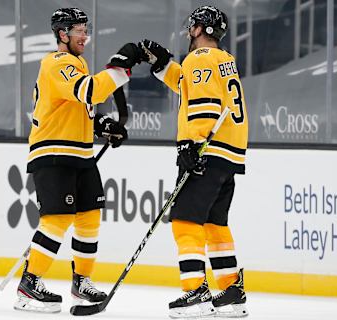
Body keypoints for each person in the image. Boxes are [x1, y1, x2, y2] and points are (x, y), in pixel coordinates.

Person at [14, 7, 143, 313]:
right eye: (79, 31)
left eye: (87, 30)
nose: (85, 36)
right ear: (62, 34)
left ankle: (81, 282)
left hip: (79, 152)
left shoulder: (78, 63)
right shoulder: (57, 62)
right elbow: (92, 91)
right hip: (54, 152)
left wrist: (102, 126)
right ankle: (30, 283)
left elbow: (76, 106)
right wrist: (120, 67)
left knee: (89, 216)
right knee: (58, 219)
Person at [139, 5, 249, 318]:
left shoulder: (199, 58)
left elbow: (204, 102)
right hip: (227, 155)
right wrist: (163, 65)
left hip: (206, 151)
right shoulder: (223, 60)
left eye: (193, 27)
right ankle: (231, 292)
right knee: (215, 224)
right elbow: (192, 87)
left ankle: (196, 292)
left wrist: (191, 143)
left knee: (186, 221)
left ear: (201, 29)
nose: (190, 32)